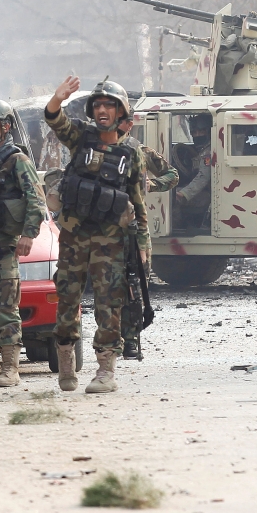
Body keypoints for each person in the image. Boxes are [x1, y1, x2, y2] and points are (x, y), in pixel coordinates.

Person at [44, 76, 148, 394]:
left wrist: (143, 249)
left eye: (110, 105)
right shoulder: (80, 137)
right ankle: (66, 365)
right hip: (75, 236)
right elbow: (54, 120)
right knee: (67, 299)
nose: (103, 109)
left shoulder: (132, 153)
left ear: (121, 112)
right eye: (99, 104)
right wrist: (57, 98)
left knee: (109, 303)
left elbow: (139, 204)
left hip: (111, 240)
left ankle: (106, 370)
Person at [0, 95, 47, 387]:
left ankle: (10, 367)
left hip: (3, 244)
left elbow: (36, 200)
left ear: (5, 127)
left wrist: (29, 234)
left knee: (5, 306)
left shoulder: (16, 160)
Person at [116, 116, 178, 358]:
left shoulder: (140, 151)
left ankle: (130, 339)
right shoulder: (95, 150)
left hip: (134, 225)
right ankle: (111, 338)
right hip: (105, 227)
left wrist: (152, 185)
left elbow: (172, 175)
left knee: (135, 281)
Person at [173, 113, 213, 229]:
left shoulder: (208, 152)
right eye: (194, 133)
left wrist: (183, 194)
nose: (198, 135)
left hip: (207, 195)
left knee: (170, 200)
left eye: (201, 132)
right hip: (200, 191)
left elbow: (203, 177)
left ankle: (176, 229)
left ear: (209, 132)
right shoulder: (202, 150)